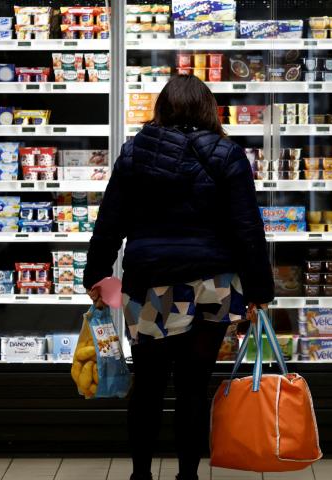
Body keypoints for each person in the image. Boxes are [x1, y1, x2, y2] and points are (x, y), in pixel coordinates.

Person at [83, 74, 275, 480]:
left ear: (162, 108)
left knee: (149, 384)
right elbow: (247, 229)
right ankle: (188, 475)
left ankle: (140, 474)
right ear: (208, 108)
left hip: (153, 284)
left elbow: (110, 220)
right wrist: (259, 290)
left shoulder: (135, 151)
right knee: (194, 385)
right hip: (214, 284)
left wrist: (97, 273)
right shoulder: (227, 153)